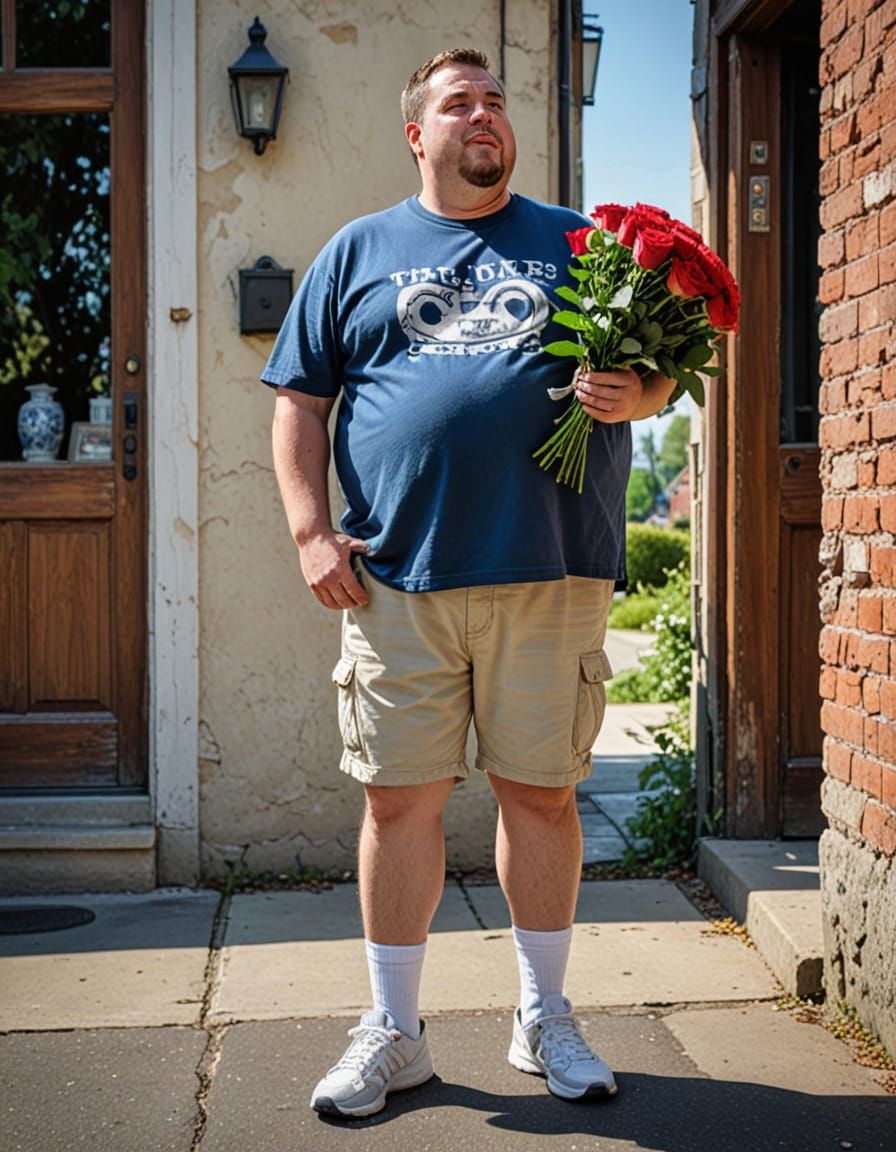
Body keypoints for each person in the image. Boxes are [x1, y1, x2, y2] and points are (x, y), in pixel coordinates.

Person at [264, 48, 676, 1119]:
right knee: (398, 803)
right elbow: (298, 402)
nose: (483, 115)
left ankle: (544, 1016)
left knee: (540, 798)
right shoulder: (358, 251)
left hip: (551, 566)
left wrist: (639, 395)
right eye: (459, 104)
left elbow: (661, 373)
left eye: (494, 101)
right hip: (397, 575)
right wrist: (311, 533)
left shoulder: (578, 243)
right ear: (418, 133)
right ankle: (393, 1034)